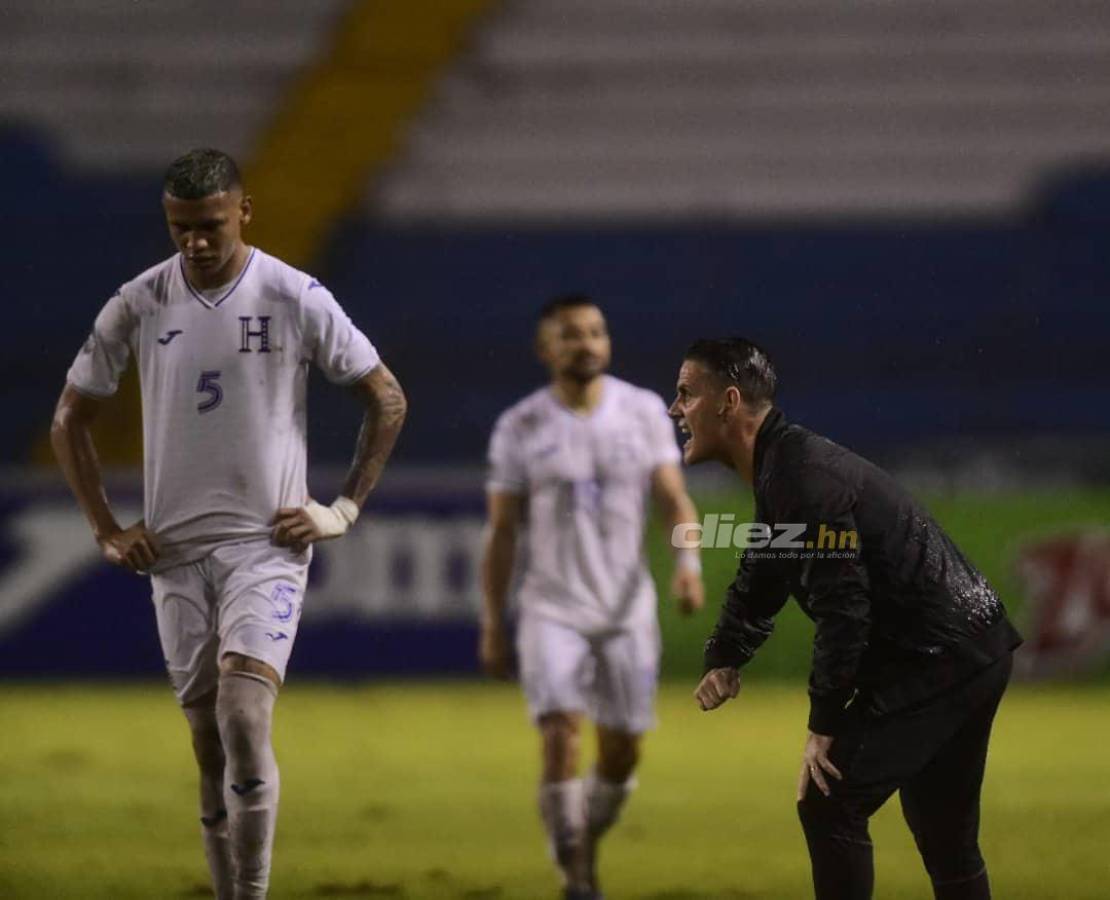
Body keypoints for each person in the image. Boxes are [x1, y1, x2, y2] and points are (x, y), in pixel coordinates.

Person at [50, 148, 407, 899]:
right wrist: (107, 530)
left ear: (243, 211)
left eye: (210, 225)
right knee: (209, 744)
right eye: (180, 228)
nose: (195, 243)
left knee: (245, 716)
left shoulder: (292, 294)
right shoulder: (138, 301)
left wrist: (341, 508)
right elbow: (70, 420)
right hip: (174, 554)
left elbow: (387, 396)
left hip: (265, 545)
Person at [672, 337, 1022, 900]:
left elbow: (844, 610)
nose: (674, 409)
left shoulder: (800, 477)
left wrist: (825, 722)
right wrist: (727, 656)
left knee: (829, 801)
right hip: (974, 648)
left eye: (685, 394)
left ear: (727, 401)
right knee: (945, 836)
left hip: (940, 657)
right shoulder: (786, 465)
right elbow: (765, 564)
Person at [480, 296, 705, 900]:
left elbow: (674, 500)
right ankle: (577, 874)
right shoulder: (520, 426)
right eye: (572, 334)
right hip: (551, 607)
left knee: (623, 752)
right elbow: (501, 532)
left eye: (596, 332)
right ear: (546, 348)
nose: (587, 343)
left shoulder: (640, 412)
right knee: (560, 733)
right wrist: (493, 624)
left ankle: (579, 837)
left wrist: (688, 563)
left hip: (626, 608)